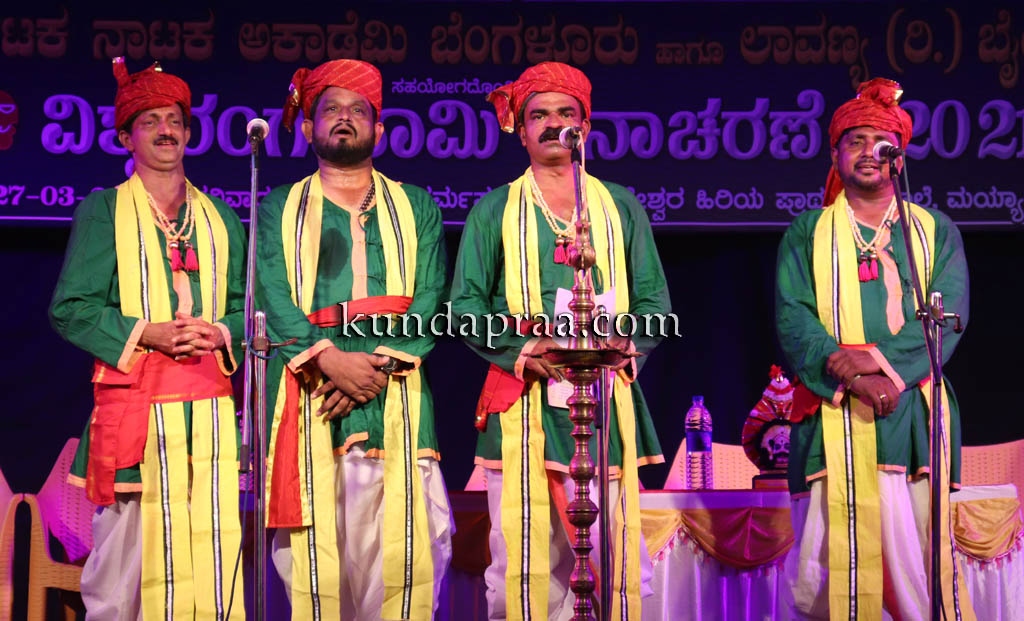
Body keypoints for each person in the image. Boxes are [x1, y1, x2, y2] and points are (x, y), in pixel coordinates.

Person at [450, 61, 671, 620]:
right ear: (521, 132)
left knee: (614, 558)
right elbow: (465, 308)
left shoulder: (619, 206)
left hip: (604, 404)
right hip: (522, 405)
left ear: (585, 127)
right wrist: (525, 350)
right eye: (538, 115)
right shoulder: (493, 210)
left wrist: (624, 344)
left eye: (565, 113)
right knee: (523, 564)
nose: (553, 124)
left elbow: (654, 305)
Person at [49, 57, 246, 620]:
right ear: (125, 137)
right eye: (150, 121)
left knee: (210, 559)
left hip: (208, 417)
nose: (166, 130)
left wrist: (219, 331)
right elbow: (71, 309)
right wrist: (149, 333)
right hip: (135, 410)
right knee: (122, 576)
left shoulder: (221, 219)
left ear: (188, 132)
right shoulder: (104, 211)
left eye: (175, 120)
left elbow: (249, 311)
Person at [256, 59, 451, 620]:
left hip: (399, 397)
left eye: (358, 110)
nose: (344, 118)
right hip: (313, 395)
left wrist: (375, 368)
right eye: (331, 110)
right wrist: (331, 361)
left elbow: (431, 295)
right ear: (308, 127)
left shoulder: (417, 205)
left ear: (379, 129)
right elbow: (271, 292)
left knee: (408, 555)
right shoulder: (278, 207)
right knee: (315, 565)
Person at [776, 78, 975, 620]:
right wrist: (853, 375)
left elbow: (948, 313)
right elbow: (794, 317)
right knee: (823, 570)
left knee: (918, 565)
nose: (868, 152)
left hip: (910, 413)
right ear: (835, 155)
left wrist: (880, 364)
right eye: (855, 141)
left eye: (880, 142)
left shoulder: (933, 230)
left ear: (899, 156)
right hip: (832, 410)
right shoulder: (807, 231)